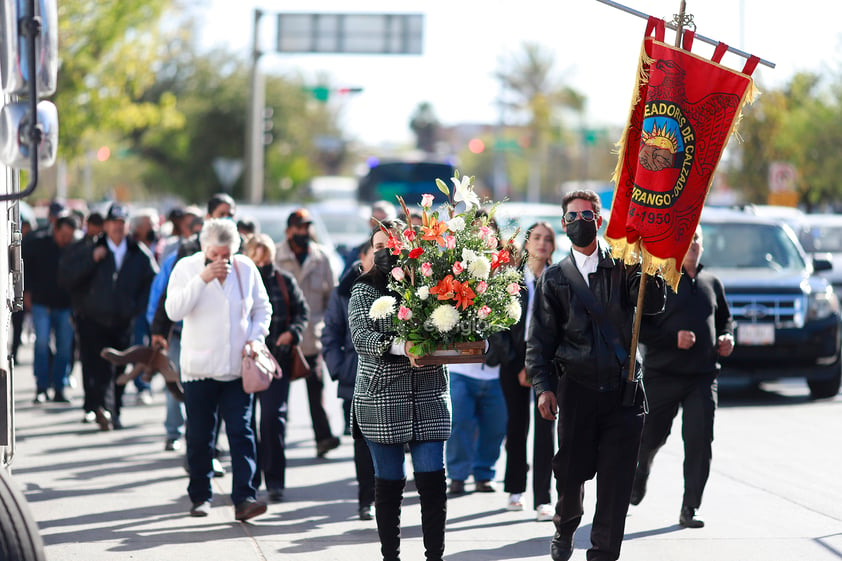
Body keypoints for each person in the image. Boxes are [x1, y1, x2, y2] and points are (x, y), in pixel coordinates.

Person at [526, 190, 666, 561]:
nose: (579, 222)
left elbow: (652, 306)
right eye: (572, 216)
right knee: (571, 474)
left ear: (599, 221)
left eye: (586, 216)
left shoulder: (622, 266)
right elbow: (539, 341)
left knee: (616, 482)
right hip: (577, 390)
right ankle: (566, 525)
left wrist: (648, 266)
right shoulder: (554, 279)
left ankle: (603, 553)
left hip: (624, 392)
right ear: (563, 223)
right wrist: (543, 388)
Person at [349, 219, 448, 561]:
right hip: (381, 397)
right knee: (390, 484)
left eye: (392, 245)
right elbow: (362, 338)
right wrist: (403, 347)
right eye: (378, 246)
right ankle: (390, 555)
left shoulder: (434, 284)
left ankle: (434, 554)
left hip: (427, 393)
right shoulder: (363, 289)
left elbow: (452, 325)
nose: (385, 251)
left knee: (432, 480)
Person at [165, 218, 271, 520]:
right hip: (200, 368)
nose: (221, 261)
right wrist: (203, 278)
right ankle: (200, 495)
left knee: (242, 431)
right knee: (200, 436)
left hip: (238, 368)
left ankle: (245, 498)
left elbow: (262, 308)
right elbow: (173, 310)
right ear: (204, 249)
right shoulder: (187, 267)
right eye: (215, 255)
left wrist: (254, 338)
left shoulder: (245, 268)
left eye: (226, 255)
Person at [631, 225, 735, 528]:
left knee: (700, 440)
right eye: (686, 238)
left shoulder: (711, 282)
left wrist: (728, 337)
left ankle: (690, 507)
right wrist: (672, 338)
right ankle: (641, 471)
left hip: (702, 377)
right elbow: (642, 329)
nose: (693, 244)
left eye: (697, 239)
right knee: (651, 436)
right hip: (663, 375)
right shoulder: (659, 279)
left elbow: (725, 319)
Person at [59, 203, 158, 430]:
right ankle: (98, 407)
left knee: (119, 367)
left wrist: (136, 307)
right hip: (92, 318)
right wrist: (92, 259)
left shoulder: (137, 252)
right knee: (96, 365)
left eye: (121, 223)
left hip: (122, 320)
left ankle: (113, 410)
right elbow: (68, 278)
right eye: (114, 222)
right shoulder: (91, 247)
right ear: (106, 225)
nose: (117, 227)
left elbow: (151, 282)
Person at [243, 234, 309, 503]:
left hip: (276, 361)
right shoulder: (241, 282)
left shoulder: (283, 280)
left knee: (272, 419)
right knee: (245, 423)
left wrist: (292, 334)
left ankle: (275, 481)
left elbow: (302, 312)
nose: (262, 263)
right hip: (245, 360)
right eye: (256, 258)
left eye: (266, 257)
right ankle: (249, 480)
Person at [500, 222, 557, 520]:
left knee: (545, 430)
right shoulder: (511, 280)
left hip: (546, 365)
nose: (542, 243)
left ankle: (543, 498)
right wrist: (518, 363)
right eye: (536, 237)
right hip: (513, 363)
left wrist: (537, 367)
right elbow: (499, 328)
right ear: (527, 243)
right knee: (516, 425)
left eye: (548, 239)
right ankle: (515, 489)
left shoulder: (559, 278)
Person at [275, 208, 340, 458]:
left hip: (313, 338)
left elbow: (331, 297)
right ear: (289, 230)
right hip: (284, 339)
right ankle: (275, 442)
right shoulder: (276, 256)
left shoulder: (320, 257)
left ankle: (323, 438)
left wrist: (328, 329)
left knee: (317, 390)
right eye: (299, 227)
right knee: (280, 397)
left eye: (307, 227)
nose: (304, 232)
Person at [322, 238, 376, 520]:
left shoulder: (404, 284)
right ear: (363, 257)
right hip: (355, 377)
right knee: (363, 442)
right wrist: (341, 369)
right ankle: (366, 500)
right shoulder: (344, 290)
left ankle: (386, 497)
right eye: (375, 251)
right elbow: (330, 333)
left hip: (395, 380)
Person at [23, 213, 78, 403]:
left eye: (69, 237)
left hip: (65, 306)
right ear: (55, 229)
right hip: (41, 303)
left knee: (64, 347)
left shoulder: (75, 248)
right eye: (63, 235)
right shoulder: (38, 243)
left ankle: (59, 387)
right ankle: (41, 387)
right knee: (41, 343)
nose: (66, 240)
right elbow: (25, 267)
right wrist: (27, 292)